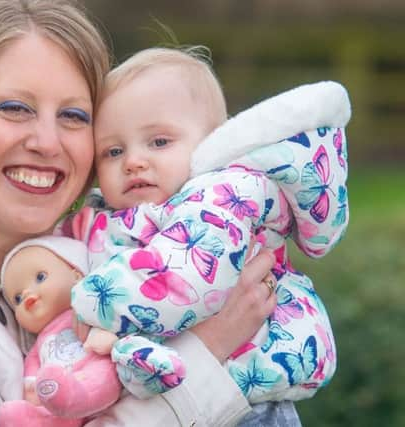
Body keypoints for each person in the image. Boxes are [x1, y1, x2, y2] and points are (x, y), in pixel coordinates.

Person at [0, 1, 285, 426]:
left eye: (74, 116)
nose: (47, 142)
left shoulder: (136, 257)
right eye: (15, 108)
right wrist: (207, 351)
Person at [62, 48, 349, 406]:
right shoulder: (112, 215)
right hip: (185, 385)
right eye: (113, 151)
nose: (134, 161)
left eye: (159, 142)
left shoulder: (224, 195)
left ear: (213, 142)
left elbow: (187, 277)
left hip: (254, 383)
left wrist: (90, 303)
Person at [0, 236, 122, 427]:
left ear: (77, 275)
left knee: (98, 378)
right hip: (56, 393)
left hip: (93, 373)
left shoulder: (87, 311)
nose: (28, 296)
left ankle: (71, 399)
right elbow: (33, 363)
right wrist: (31, 385)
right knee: (46, 406)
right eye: (18, 298)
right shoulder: (39, 342)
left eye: (40, 277)